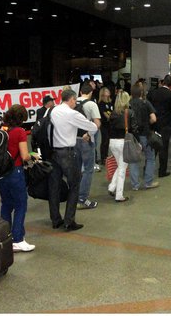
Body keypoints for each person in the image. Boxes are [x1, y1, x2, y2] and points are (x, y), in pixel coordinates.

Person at [48, 89, 98, 231]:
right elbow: (93, 127)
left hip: (53, 153)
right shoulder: (72, 113)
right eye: (75, 101)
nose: (75, 103)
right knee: (74, 185)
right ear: (71, 100)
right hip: (67, 153)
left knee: (54, 187)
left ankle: (56, 219)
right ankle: (69, 221)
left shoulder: (53, 110)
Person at [0, 105, 36, 252]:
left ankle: (5, 237)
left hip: (0, 172)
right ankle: (18, 239)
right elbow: (24, 156)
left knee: (6, 204)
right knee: (21, 204)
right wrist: (33, 157)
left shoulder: (1, 128)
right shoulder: (19, 132)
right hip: (15, 171)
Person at [147, 75, 171, 178]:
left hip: (154, 123)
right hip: (167, 124)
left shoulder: (153, 92)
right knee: (164, 147)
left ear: (163, 83)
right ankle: (162, 171)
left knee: (152, 145)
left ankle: (148, 167)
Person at [108, 91, 138, 202]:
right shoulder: (129, 112)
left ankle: (112, 187)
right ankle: (119, 195)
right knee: (122, 169)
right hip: (124, 143)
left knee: (120, 165)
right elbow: (134, 129)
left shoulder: (113, 113)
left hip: (112, 142)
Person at [75, 82, 102, 210]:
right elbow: (97, 123)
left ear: (80, 92)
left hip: (73, 140)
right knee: (88, 169)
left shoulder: (73, 103)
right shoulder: (91, 104)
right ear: (91, 93)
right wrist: (89, 133)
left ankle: (74, 196)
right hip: (86, 140)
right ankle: (82, 198)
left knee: (76, 169)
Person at [128, 84, 158, 191]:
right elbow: (154, 119)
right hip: (145, 134)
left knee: (133, 160)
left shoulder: (128, 103)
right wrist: (147, 124)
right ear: (141, 92)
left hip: (132, 136)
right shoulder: (146, 103)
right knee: (150, 158)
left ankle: (135, 185)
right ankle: (148, 182)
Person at [97, 86, 113, 165]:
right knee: (104, 140)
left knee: (108, 141)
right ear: (103, 93)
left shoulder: (110, 102)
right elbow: (104, 113)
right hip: (104, 124)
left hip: (110, 124)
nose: (108, 92)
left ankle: (106, 156)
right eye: (106, 91)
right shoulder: (101, 103)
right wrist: (110, 118)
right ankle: (103, 157)